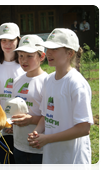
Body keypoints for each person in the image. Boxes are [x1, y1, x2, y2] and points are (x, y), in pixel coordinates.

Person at [28, 28, 94, 170]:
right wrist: (37, 131)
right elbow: (47, 115)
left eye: (55, 48)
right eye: (48, 47)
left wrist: (47, 139)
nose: (49, 52)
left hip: (72, 162)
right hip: (52, 159)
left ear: (70, 53)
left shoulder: (76, 83)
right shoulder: (49, 80)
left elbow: (84, 128)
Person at [0, 22, 25, 170]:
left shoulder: (24, 65)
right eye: (4, 40)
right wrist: (3, 121)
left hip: (20, 125)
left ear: (18, 40)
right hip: (0, 126)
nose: (7, 44)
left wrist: (14, 123)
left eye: (11, 40)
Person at [11, 35, 48, 170]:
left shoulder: (47, 82)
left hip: (39, 149)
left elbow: (50, 116)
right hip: (19, 145)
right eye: (20, 56)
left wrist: (31, 120)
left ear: (42, 57)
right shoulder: (17, 81)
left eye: (29, 56)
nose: (23, 60)